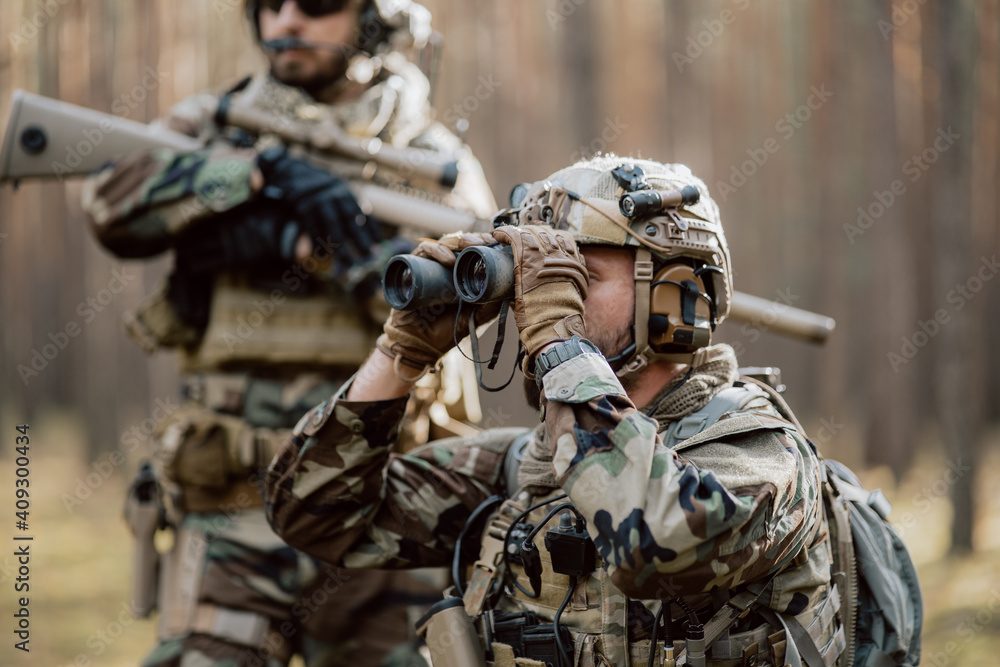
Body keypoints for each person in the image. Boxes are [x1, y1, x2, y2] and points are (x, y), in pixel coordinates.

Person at [264, 156, 846, 666]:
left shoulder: (759, 451)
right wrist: (399, 356)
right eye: (539, 279)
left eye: (579, 277)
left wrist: (561, 347)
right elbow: (312, 513)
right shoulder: (534, 465)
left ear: (676, 297)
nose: (538, 300)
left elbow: (656, 546)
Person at [81, 1, 495, 665]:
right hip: (230, 505)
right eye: (269, 4)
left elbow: (473, 287)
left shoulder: (429, 154)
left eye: (317, 3)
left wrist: (326, 251)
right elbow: (109, 199)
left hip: (380, 513)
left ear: (371, 19)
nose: (287, 21)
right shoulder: (220, 123)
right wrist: (254, 179)